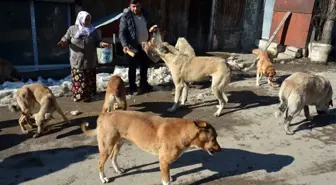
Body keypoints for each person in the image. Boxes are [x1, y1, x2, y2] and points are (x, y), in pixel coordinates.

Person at [57, 11, 110, 102]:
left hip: (90, 59)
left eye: (89, 20)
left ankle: (89, 96)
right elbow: (66, 38)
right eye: (86, 20)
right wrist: (63, 42)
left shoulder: (93, 30)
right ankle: (78, 96)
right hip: (77, 59)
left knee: (89, 78)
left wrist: (102, 44)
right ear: (80, 19)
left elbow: (98, 41)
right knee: (79, 79)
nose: (87, 22)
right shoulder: (72, 29)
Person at [119, 0, 157, 95]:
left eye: (138, 6)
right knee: (132, 67)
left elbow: (151, 24)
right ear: (130, 6)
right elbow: (122, 33)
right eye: (133, 6)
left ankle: (143, 84)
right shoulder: (126, 17)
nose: (136, 9)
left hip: (145, 45)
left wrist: (153, 28)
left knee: (144, 66)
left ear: (141, 6)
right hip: (133, 46)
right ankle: (132, 88)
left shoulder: (146, 14)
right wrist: (125, 45)